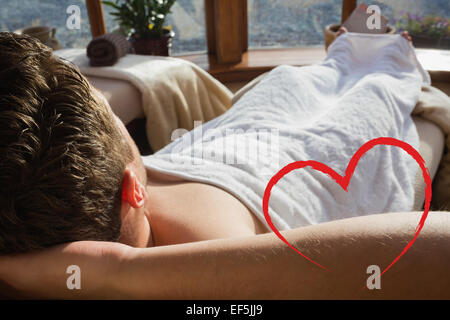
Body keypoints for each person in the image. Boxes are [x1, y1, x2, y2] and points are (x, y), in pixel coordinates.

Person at [0, 30, 448, 299]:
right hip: (291, 159)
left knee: (292, 82)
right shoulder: (217, 269)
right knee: (368, 94)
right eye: (116, 122)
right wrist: (118, 268)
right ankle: (382, 54)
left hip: (232, 140)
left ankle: (357, 51)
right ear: (132, 189)